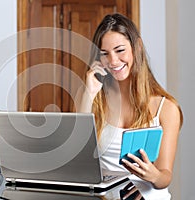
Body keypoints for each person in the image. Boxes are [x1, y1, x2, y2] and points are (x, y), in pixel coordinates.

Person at [77, 13, 183, 199]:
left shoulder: (166, 108)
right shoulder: (92, 98)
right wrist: (89, 95)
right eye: (104, 54)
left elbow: (165, 176)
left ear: (137, 47)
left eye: (119, 50)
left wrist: (153, 175)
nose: (113, 61)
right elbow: (77, 156)